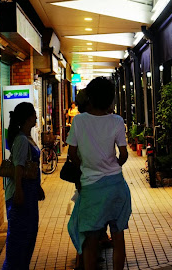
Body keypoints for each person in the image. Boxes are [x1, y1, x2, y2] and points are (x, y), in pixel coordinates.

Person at [67, 77, 131, 270]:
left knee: (91, 241)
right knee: (118, 237)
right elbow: (124, 154)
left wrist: (86, 166)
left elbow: (72, 153)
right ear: (110, 98)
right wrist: (113, 165)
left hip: (91, 189)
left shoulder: (79, 120)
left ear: (90, 97)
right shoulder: (117, 121)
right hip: (116, 186)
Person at [3, 102, 45, 270]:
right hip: (21, 195)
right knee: (18, 240)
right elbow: (18, 167)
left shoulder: (27, 137)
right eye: (34, 114)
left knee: (28, 235)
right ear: (28, 118)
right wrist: (19, 191)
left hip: (29, 193)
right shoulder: (21, 139)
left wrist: (38, 187)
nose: (36, 117)